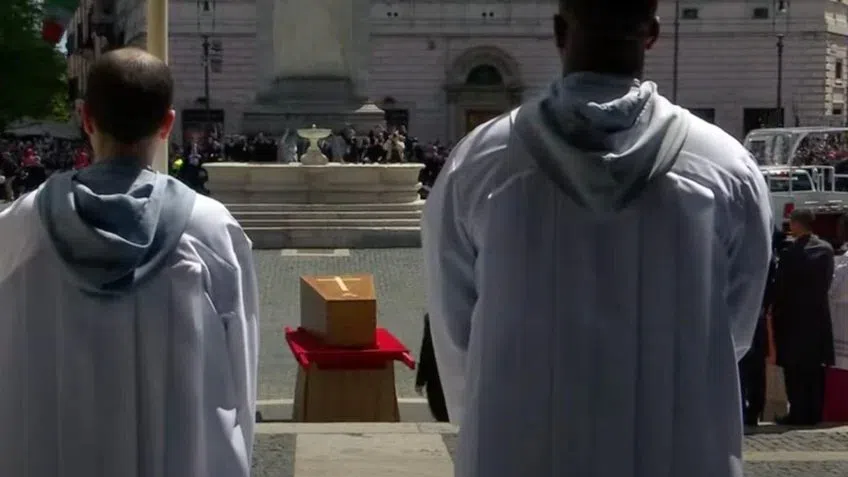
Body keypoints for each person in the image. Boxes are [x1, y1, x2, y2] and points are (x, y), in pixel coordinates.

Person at [422, 1, 772, 476]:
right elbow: (735, 329)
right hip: (676, 444)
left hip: (521, 443)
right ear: (652, 33)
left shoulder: (479, 161)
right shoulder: (725, 166)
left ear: (558, 31)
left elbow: (454, 326)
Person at [0, 48, 259, 477]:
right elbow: (241, 372)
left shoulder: (17, 228)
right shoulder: (212, 233)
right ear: (167, 124)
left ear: (85, 118)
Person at [773, 209, 835, 426]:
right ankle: (814, 412)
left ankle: (798, 412)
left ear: (796, 224)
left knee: (794, 369)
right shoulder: (826, 249)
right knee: (815, 369)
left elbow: (781, 287)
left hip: (793, 318)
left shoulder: (791, 253)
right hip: (818, 316)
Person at [739, 228, 781, 426]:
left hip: (742, 312)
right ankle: (754, 409)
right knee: (755, 367)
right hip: (758, 312)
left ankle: (743, 408)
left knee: (741, 364)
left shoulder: (738, 253)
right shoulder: (768, 256)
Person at [415, 313, 449, 422]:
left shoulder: (433, 317)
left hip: (437, 377)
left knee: (441, 414)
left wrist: (420, 379)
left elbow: (427, 348)